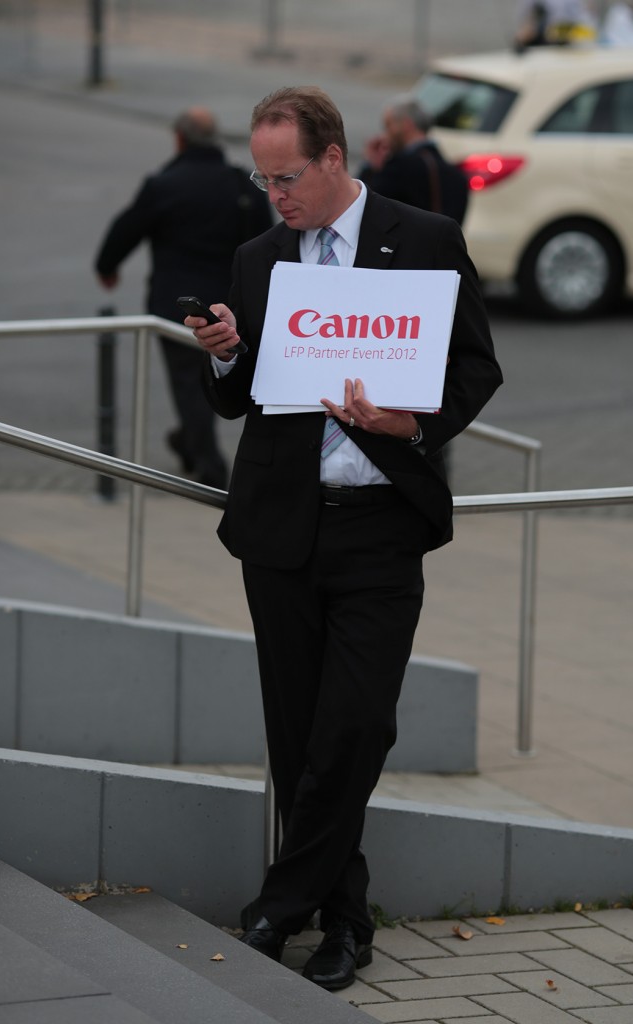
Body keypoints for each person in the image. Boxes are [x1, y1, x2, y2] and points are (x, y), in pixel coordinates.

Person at [185, 86, 503, 991]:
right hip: (282, 526)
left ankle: (279, 903)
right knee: (298, 735)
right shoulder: (258, 256)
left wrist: (408, 425)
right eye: (262, 177)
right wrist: (222, 352)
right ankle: (341, 923)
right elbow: (238, 396)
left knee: (355, 724)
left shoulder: (424, 240)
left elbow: (476, 366)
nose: (274, 194)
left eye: (287, 177)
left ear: (333, 160)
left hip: (379, 528)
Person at [94, 106, 272, 489]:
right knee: (204, 384)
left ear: (179, 139)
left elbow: (126, 228)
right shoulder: (242, 184)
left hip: (177, 306)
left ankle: (211, 470)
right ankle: (189, 444)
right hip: (232, 305)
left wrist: (107, 267)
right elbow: (267, 239)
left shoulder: (165, 184)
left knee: (190, 386)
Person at [357, 94, 469, 226]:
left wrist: (371, 166)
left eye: (388, 125)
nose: (384, 134)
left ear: (406, 125)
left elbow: (361, 204)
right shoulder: (457, 177)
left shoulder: (398, 169)